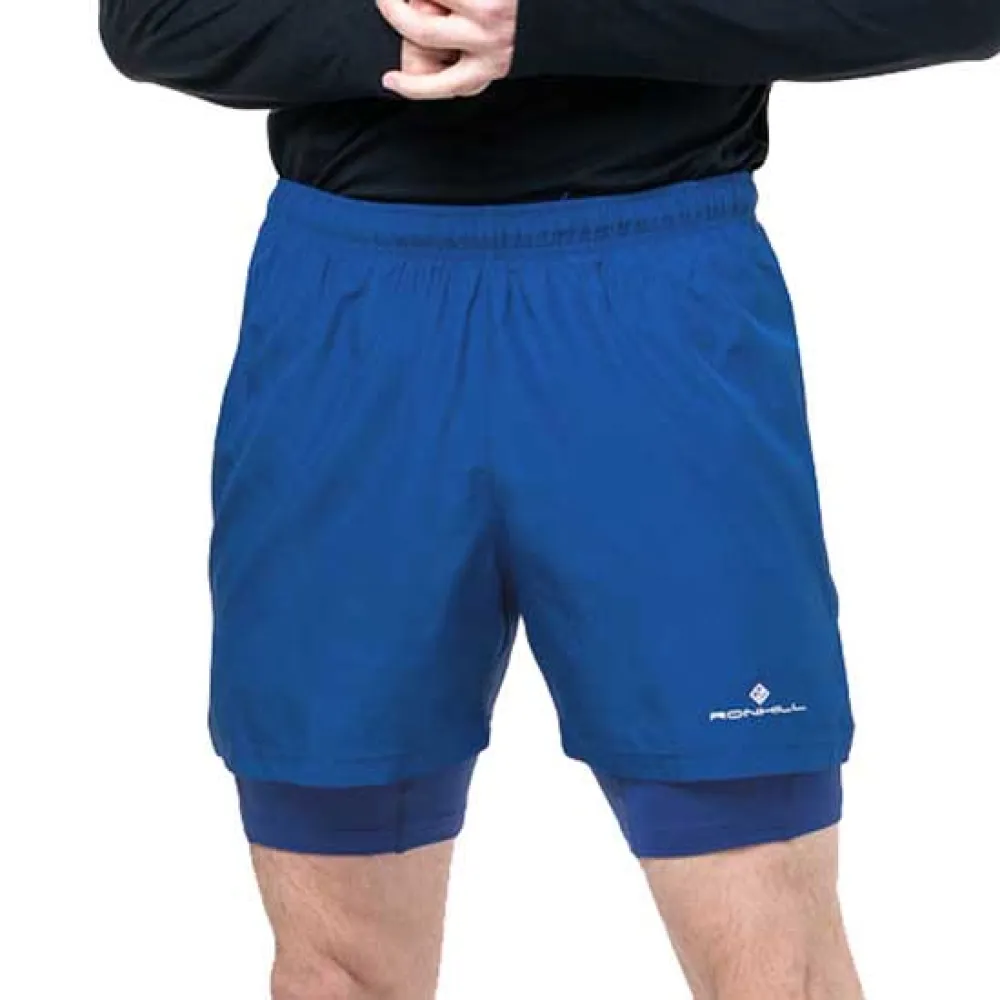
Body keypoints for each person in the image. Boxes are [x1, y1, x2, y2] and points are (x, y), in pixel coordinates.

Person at [98, 3, 1000, 997]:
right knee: (335, 975)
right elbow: (158, 18)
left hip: (656, 308)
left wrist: (548, 21)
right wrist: (414, 30)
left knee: (775, 972)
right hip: (352, 315)